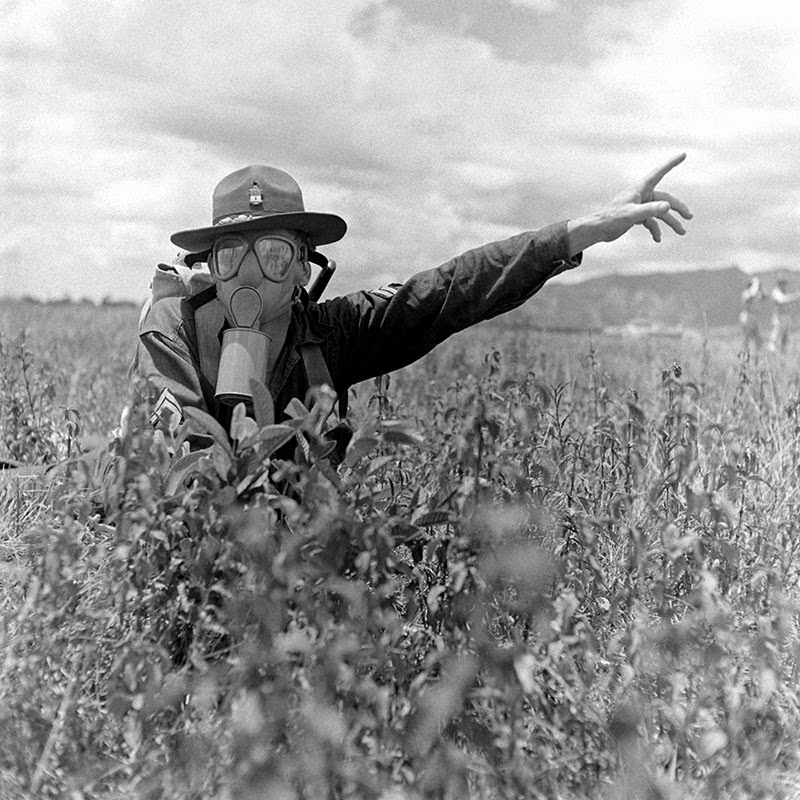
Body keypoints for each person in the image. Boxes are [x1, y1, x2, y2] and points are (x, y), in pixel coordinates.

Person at [133, 154, 692, 453]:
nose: (250, 274)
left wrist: (579, 233)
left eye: (275, 254)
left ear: (304, 267)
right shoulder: (174, 323)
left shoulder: (333, 333)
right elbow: (165, 465)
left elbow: (450, 289)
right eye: (230, 255)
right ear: (208, 265)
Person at [767, 277, 800, 355]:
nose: (784, 286)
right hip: (779, 318)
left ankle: (783, 355)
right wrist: (796, 295)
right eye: (782, 284)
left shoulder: (783, 292)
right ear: (779, 284)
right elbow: (783, 300)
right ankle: (771, 353)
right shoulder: (776, 292)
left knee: (785, 338)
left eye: (785, 284)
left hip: (786, 317)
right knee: (776, 336)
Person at [739, 276, 765, 354]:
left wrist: (760, 287)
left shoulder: (756, 293)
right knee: (746, 338)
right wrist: (756, 285)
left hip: (754, 317)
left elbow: (765, 296)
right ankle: (744, 356)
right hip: (747, 317)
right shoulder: (746, 293)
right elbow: (750, 297)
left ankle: (757, 356)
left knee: (758, 339)